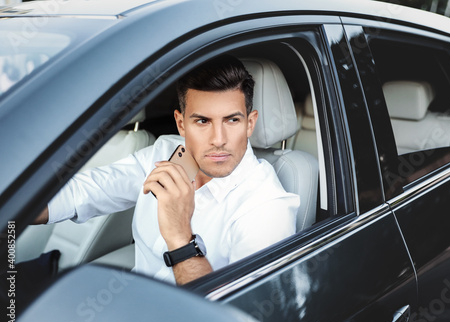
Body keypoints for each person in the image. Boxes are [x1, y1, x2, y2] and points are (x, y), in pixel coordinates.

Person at [34, 55, 299, 285]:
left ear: (250, 123)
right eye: (202, 121)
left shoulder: (267, 208)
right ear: (181, 124)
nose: (219, 139)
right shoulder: (164, 154)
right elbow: (85, 190)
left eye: (232, 120)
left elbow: (231, 319)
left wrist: (180, 235)